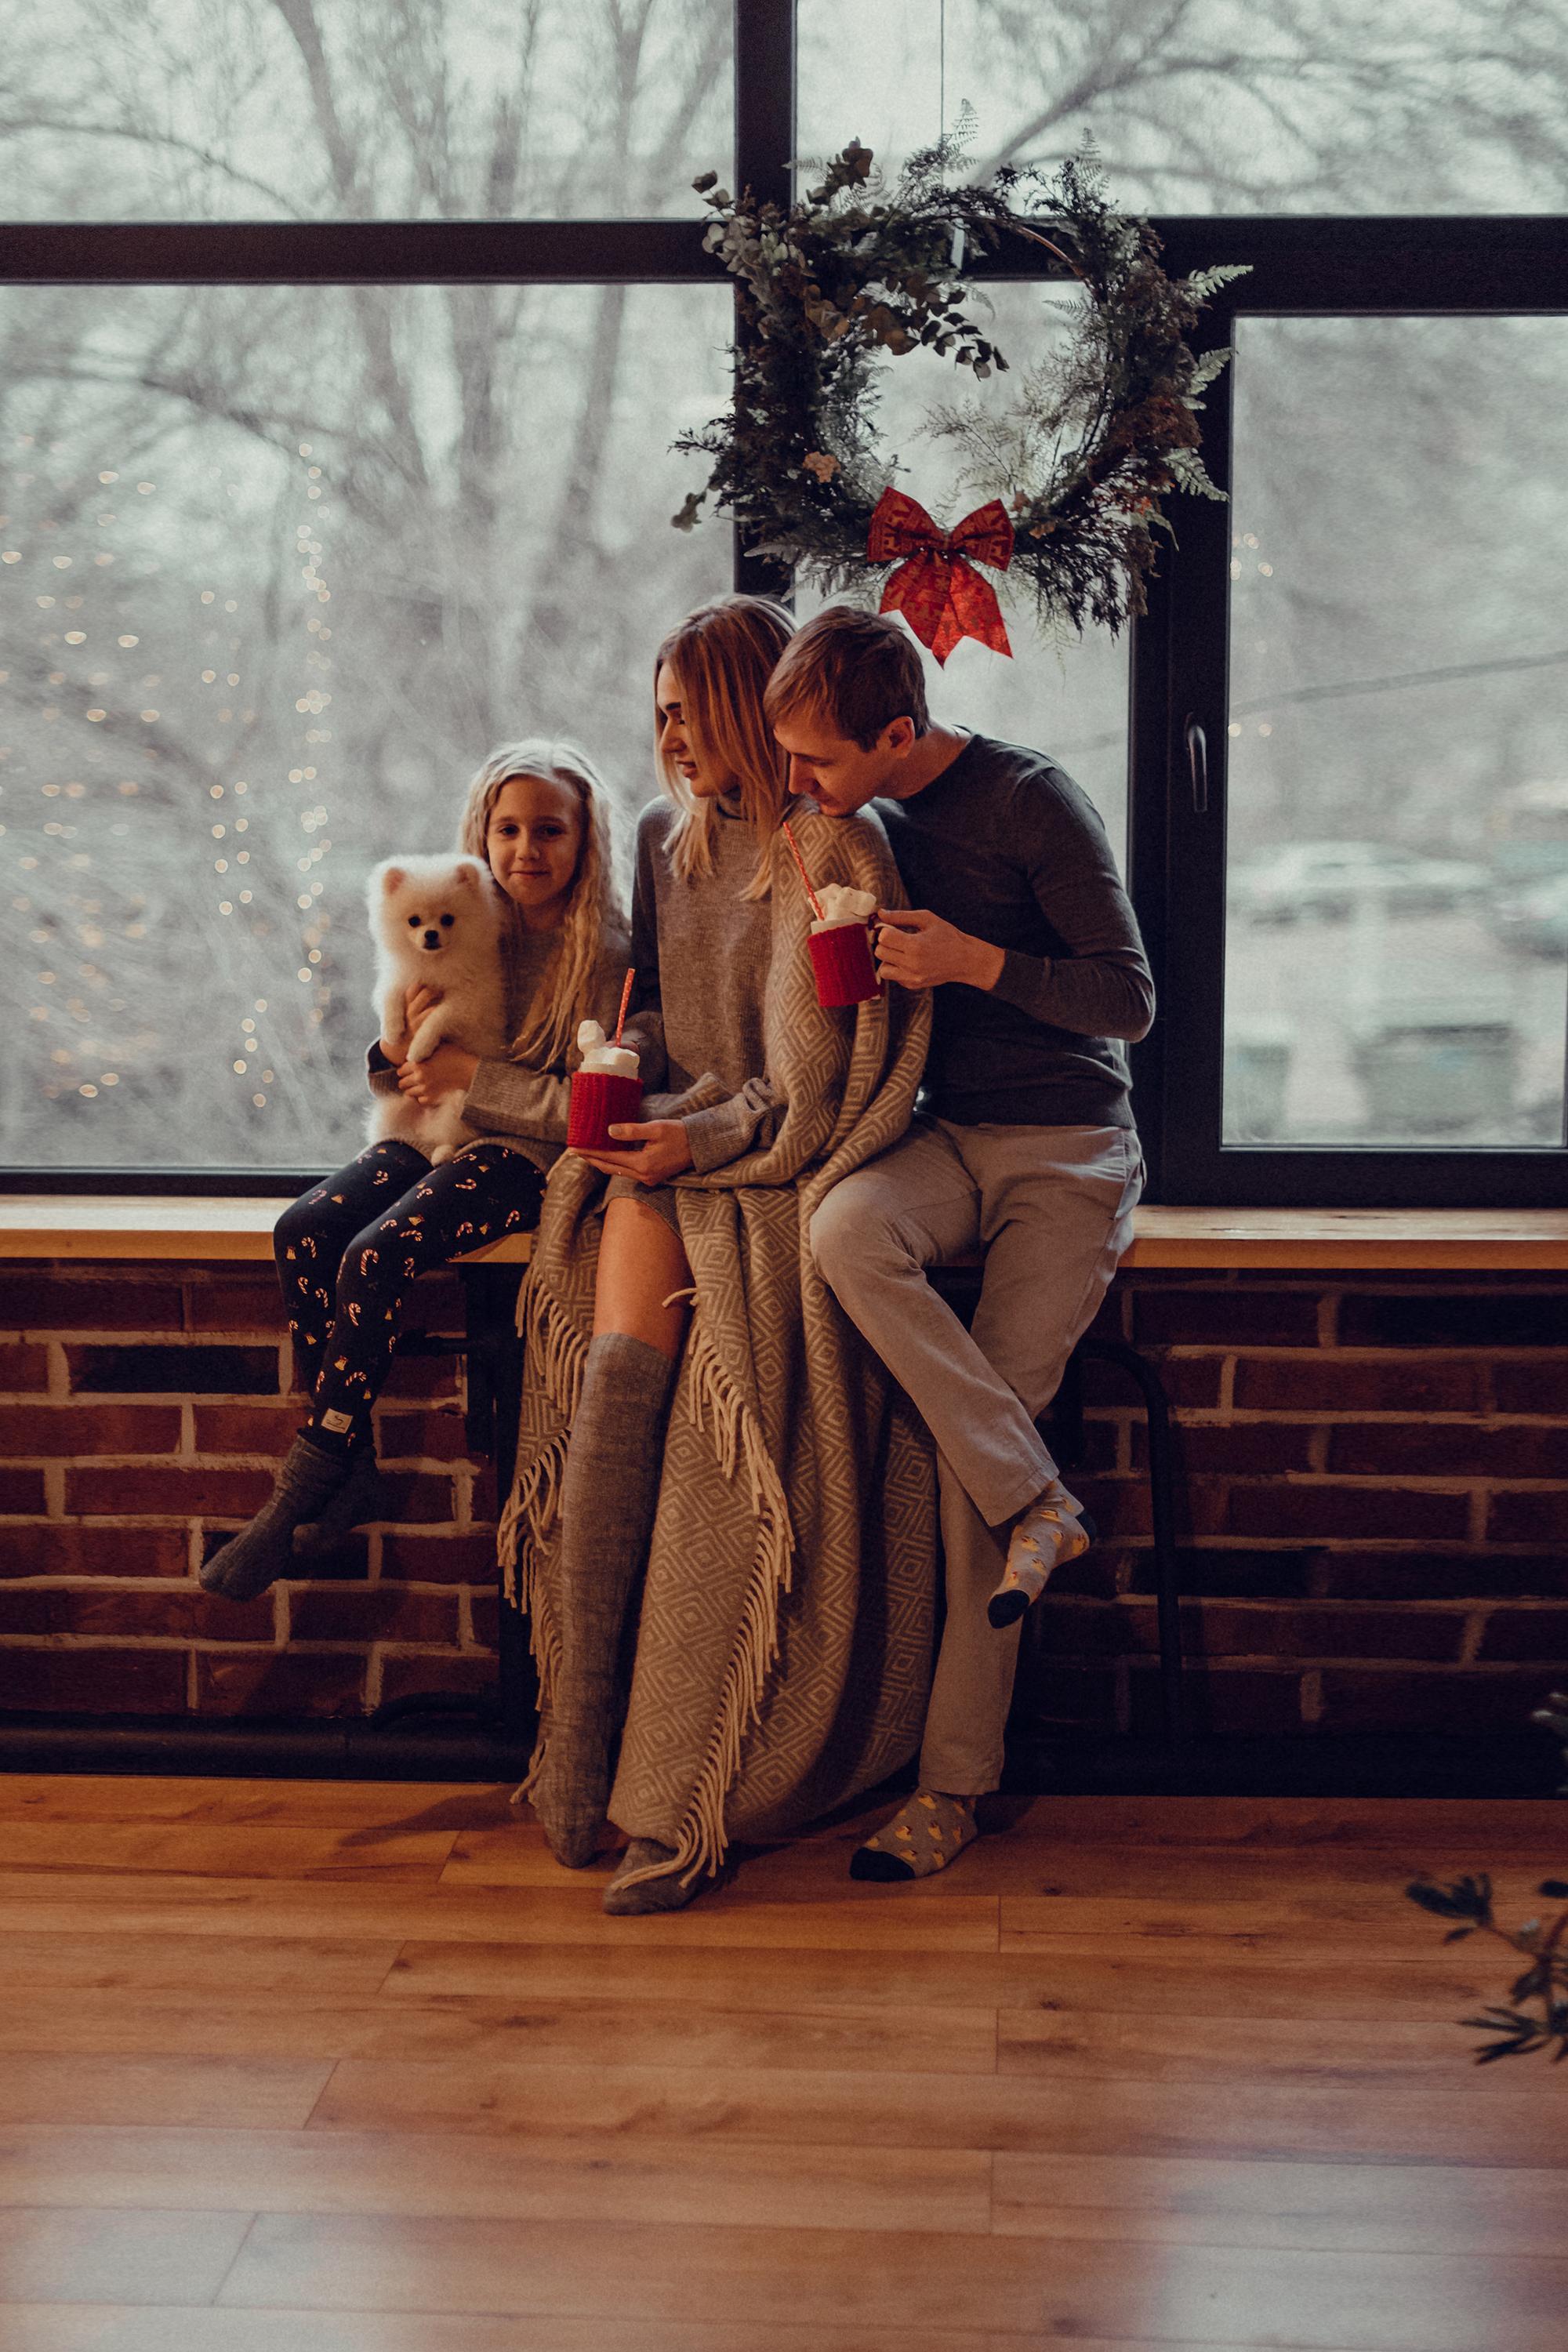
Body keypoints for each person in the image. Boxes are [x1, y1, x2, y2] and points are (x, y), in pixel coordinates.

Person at [506, 595, 935, 1915]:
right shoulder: (659, 837)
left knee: (667, 1321)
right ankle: (584, 1737)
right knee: (611, 1241)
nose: (670, 737)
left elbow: (814, 1084)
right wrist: (635, 1094)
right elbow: (681, 1041)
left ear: (755, 704)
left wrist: (702, 1140)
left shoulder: (837, 846)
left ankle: (636, 1774)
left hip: (785, 1164)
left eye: (690, 710)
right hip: (694, 1141)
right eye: (660, 714)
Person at [766, 605, 1152, 1881]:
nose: (799, 782)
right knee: (844, 1228)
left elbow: (1129, 999)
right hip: (946, 1136)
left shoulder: (1034, 805)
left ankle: (949, 1788)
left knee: (957, 1462)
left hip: (1065, 1149)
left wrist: (974, 960)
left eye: (817, 759)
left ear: (896, 733)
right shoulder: (858, 821)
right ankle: (1039, 1503)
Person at [201, 739, 630, 1602]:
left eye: (549, 830)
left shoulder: (605, 956)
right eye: (506, 829)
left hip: (523, 1157)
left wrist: (475, 1079)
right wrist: (395, 1052)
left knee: (377, 1250)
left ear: (585, 841)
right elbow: (394, 1067)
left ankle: (304, 1483)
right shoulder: (460, 914)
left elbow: (589, 1112)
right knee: (308, 1227)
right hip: (429, 1124)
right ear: (481, 835)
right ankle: (348, 1462)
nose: (525, 851)